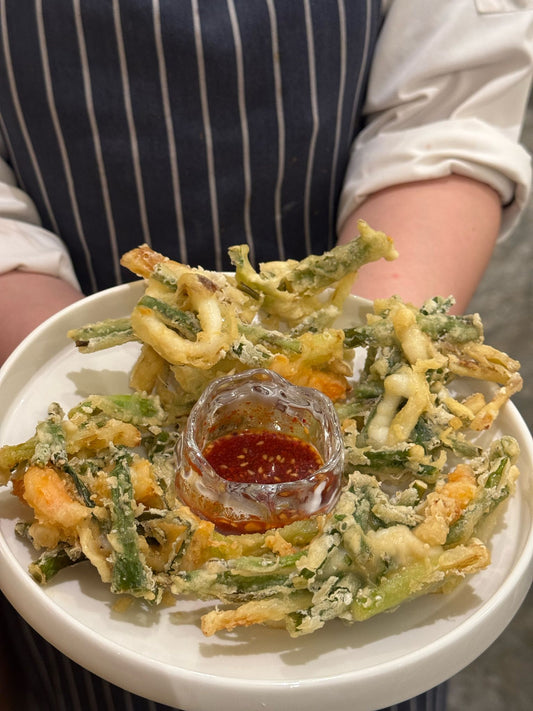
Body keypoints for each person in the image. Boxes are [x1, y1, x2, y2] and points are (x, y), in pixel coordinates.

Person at [0, 1, 531, 709]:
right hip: (52, 300)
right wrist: (47, 353)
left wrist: (370, 362)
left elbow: (447, 115)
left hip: (352, 327)